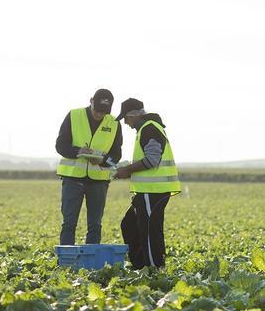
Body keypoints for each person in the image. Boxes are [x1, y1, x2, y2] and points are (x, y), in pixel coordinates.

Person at [113, 98, 181, 269]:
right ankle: (140, 265)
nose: (126, 123)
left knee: (150, 232)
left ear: (134, 115)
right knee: (129, 225)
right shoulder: (146, 128)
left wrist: (126, 170)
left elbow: (152, 160)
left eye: (126, 118)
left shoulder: (149, 129)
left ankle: (153, 269)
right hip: (146, 192)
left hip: (154, 191)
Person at [55, 88, 122, 245]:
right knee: (69, 223)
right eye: (97, 110)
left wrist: (103, 161)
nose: (99, 115)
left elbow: (116, 155)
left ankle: (91, 264)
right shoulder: (73, 115)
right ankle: (67, 262)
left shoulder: (114, 123)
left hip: (99, 181)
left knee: (95, 225)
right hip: (72, 179)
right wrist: (78, 151)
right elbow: (60, 146)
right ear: (91, 100)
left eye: (103, 112)